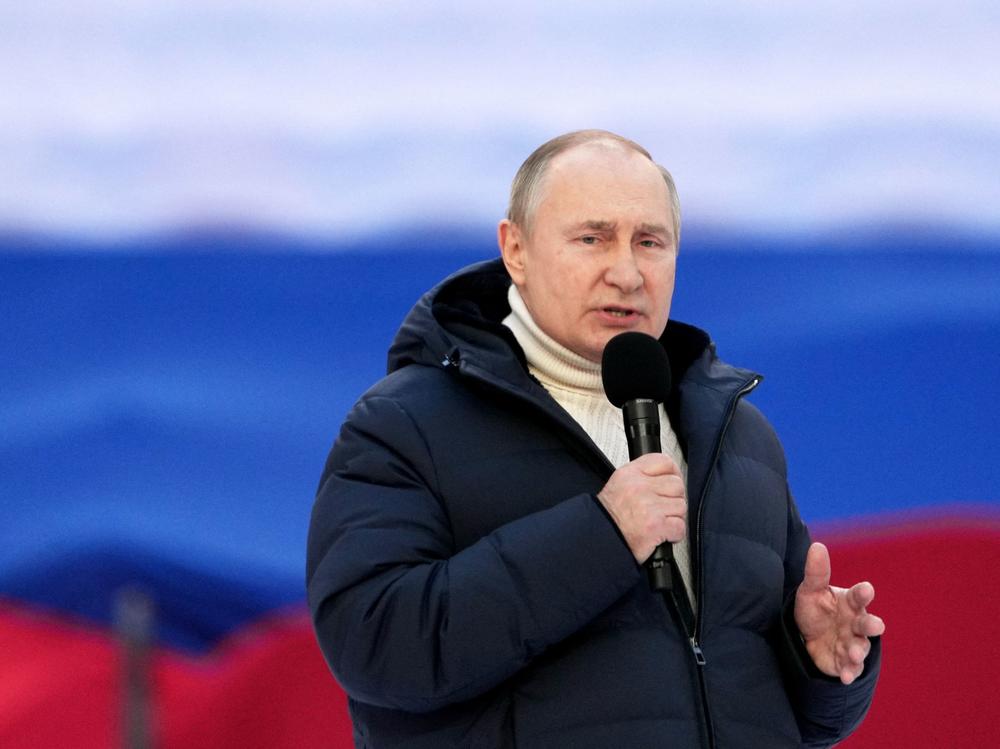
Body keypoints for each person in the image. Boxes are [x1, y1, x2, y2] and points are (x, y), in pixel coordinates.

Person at [306, 130, 884, 748]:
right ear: (516, 250)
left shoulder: (738, 435)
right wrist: (603, 536)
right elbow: (376, 649)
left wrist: (820, 665)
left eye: (650, 242)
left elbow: (788, 718)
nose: (628, 272)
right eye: (593, 238)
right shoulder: (406, 423)